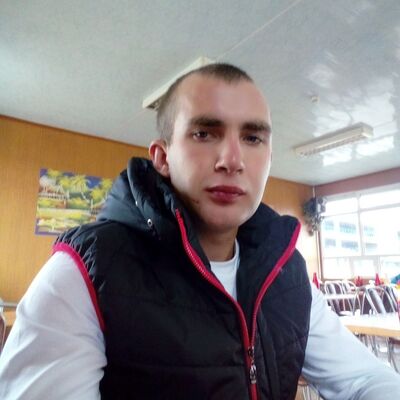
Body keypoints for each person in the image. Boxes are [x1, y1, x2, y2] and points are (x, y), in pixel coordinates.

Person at [0, 63, 399, 400]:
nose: (232, 160)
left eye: (252, 137)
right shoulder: (85, 273)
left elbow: (364, 378)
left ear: (269, 158)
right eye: (205, 133)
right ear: (162, 158)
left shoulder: (286, 273)